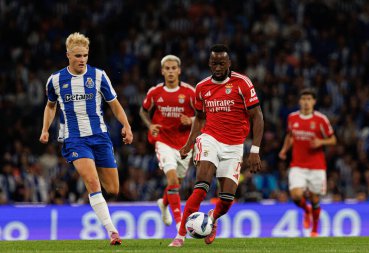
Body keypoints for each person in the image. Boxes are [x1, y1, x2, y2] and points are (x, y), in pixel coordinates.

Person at [39, 32, 133, 245]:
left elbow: (114, 104)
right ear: (68, 55)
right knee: (92, 182)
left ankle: (95, 195)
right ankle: (112, 232)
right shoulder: (55, 80)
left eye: (85, 55)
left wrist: (126, 125)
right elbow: (50, 106)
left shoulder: (99, 76)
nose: (82, 59)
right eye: (78, 55)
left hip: (100, 137)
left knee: (114, 189)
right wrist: (45, 129)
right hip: (74, 139)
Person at [169, 44, 264, 247]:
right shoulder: (202, 87)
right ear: (209, 64)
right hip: (210, 138)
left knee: (227, 198)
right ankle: (180, 235)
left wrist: (254, 150)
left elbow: (257, 116)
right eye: (214, 63)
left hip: (235, 145)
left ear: (229, 63)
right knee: (202, 184)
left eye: (222, 62)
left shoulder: (242, 83)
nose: (218, 66)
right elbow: (199, 118)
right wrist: (189, 144)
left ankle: (211, 219)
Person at [139, 55, 196, 231]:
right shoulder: (155, 93)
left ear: (179, 70)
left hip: (185, 144)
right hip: (163, 141)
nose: (171, 71)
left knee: (176, 183)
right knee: (172, 179)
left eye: (174, 68)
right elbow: (143, 111)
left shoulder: (189, 92)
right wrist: (150, 126)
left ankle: (164, 204)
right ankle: (180, 225)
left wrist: (192, 120)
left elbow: (204, 116)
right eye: (167, 68)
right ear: (162, 71)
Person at [279, 88, 337, 237]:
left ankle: (315, 230)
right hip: (297, 165)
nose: (306, 102)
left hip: (316, 166)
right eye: (303, 99)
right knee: (296, 195)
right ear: (299, 101)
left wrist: (321, 142)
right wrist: (284, 150)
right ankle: (307, 210)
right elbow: (290, 136)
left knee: (315, 198)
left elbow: (333, 139)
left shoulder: (321, 119)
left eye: (309, 99)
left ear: (314, 101)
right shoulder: (292, 118)